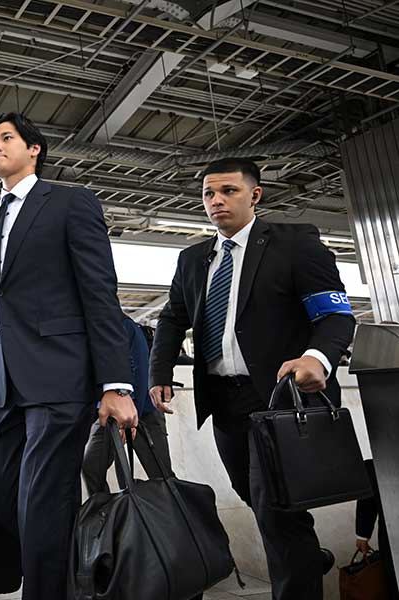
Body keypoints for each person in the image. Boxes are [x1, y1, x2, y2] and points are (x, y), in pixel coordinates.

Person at [149, 157, 355, 600]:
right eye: (208, 193)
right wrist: (159, 372)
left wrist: (317, 357)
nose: (216, 201)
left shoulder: (296, 245)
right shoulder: (192, 259)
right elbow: (171, 319)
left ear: (254, 195)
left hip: (281, 399)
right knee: (260, 501)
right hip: (224, 402)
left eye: (228, 191)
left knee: (276, 509)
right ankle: (307, 559)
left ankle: (298, 577)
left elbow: (336, 315)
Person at [0, 113, 137, 599]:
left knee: (41, 498)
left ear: (35, 149)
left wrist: (116, 383)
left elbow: (100, 293)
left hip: (61, 377)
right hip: (6, 387)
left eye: (6, 138)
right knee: (10, 498)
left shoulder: (71, 203)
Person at [82, 313, 174, 495]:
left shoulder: (125, 326)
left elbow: (140, 374)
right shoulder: (91, 330)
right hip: (108, 413)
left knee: (161, 475)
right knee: (92, 467)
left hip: (143, 413)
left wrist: (130, 419)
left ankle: (176, 517)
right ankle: (104, 515)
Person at [355, 459, 398, 599]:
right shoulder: (376, 461)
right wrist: (362, 534)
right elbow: (368, 497)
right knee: (393, 581)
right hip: (391, 537)